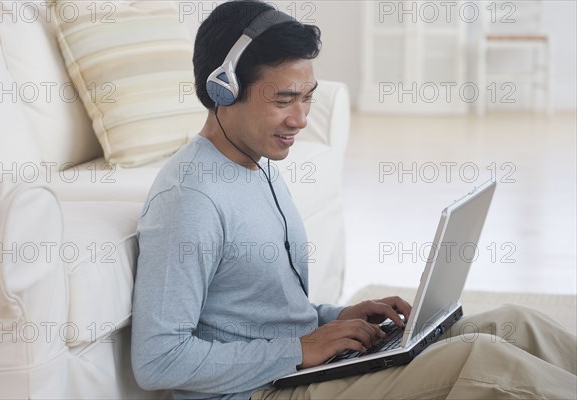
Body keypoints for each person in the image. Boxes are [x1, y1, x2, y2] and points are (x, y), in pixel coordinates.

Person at [131, 1, 577, 399]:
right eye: (284, 100)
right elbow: (158, 361)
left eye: (307, 98)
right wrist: (300, 349)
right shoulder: (188, 200)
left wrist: (337, 317)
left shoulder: (256, 161)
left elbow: (263, 312)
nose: (302, 119)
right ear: (223, 91)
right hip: (261, 391)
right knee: (482, 359)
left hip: (302, 367)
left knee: (516, 323)